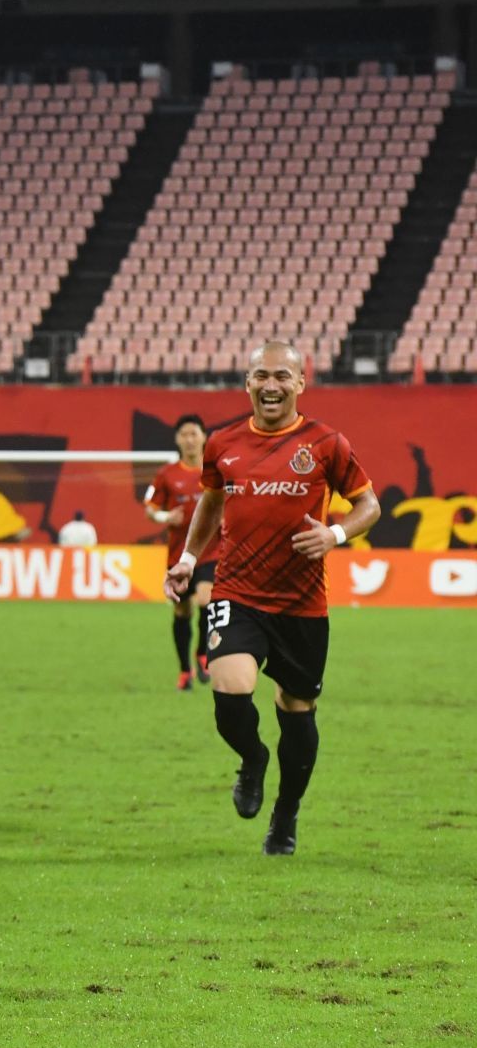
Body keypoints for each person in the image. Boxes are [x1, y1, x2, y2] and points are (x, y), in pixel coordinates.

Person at [164, 341, 379, 857]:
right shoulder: (223, 444)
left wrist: (335, 536)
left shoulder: (327, 443)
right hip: (238, 590)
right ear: (247, 382)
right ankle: (253, 757)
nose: (271, 385)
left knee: (296, 708)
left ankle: (285, 815)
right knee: (230, 687)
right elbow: (211, 504)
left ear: (300, 383)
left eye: (282, 376)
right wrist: (191, 561)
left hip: (302, 603)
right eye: (261, 375)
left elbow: (369, 504)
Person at [146, 413, 220, 690]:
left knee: (206, 599)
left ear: (203, 437)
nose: (189, 440)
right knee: (182, 612)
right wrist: (166, 518)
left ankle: (203, 652)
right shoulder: (167, 474)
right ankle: (184, 669)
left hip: (212, 551)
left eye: (194, 434)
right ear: (177, 439)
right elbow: (151, 510)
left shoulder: (216, 471)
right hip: (179, 554)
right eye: (184, 435)